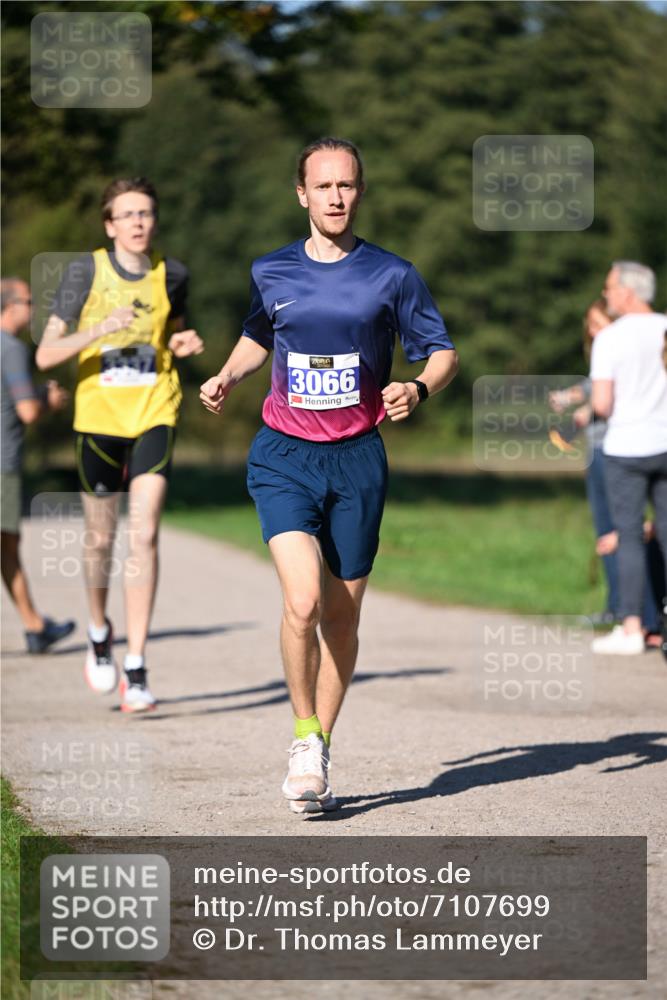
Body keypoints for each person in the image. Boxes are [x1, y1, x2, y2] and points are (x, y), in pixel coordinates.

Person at [200, 137, 458, 814]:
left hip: (357, 459)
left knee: (341, 620)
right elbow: (260, 333)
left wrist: (418, 389)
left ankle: (321, 746)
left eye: (346, 186)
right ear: (301, 195)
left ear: (359, 193)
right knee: (303, 600)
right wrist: (229, 372)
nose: (335, 197)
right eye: (323, 187)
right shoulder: (271, 270)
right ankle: (303, 735)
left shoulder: (392, 275)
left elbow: (441, 352)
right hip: (283, 453)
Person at [35, 178, 203, 709]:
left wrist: (184, 340)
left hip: (156, 409)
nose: (138, 223)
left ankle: (137, 666)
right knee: (101, 540)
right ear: (109, 225)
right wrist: (99, 329)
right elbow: (44, 354)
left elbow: (175, 330)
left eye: (147, 214)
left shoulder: (172, 273)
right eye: (127, 214)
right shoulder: (85, 271)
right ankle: (99, 630)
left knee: (145, 534)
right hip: (99, 418)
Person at [549, 301, 662, 639]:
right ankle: (624, 608)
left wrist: (585, 412)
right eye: (590, 326)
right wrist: (572, 400)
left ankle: (640, 618)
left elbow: (601, 397)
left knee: (623, 533)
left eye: (599, 323)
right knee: (610, 532)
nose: (594, 331)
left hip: (620, 451)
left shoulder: (619, 345)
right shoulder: (612, 347)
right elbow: (589, 386)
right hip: (605, 449)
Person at [590, 261, 667, 655]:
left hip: (627, 449)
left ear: (628, 292)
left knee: (631, 538)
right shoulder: (664, 327)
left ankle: (633, 628)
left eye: (609, 289)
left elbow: (603, 403)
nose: (607, 296)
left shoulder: (612, 338)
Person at [1, 278, 75, 652]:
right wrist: (49, 400)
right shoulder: (11, 348)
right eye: (29, 301)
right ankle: (35, 627)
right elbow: (27, 411)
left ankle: (35, 627)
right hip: (2, 464)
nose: (33, 309)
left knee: (8, 548)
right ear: (10, 306)